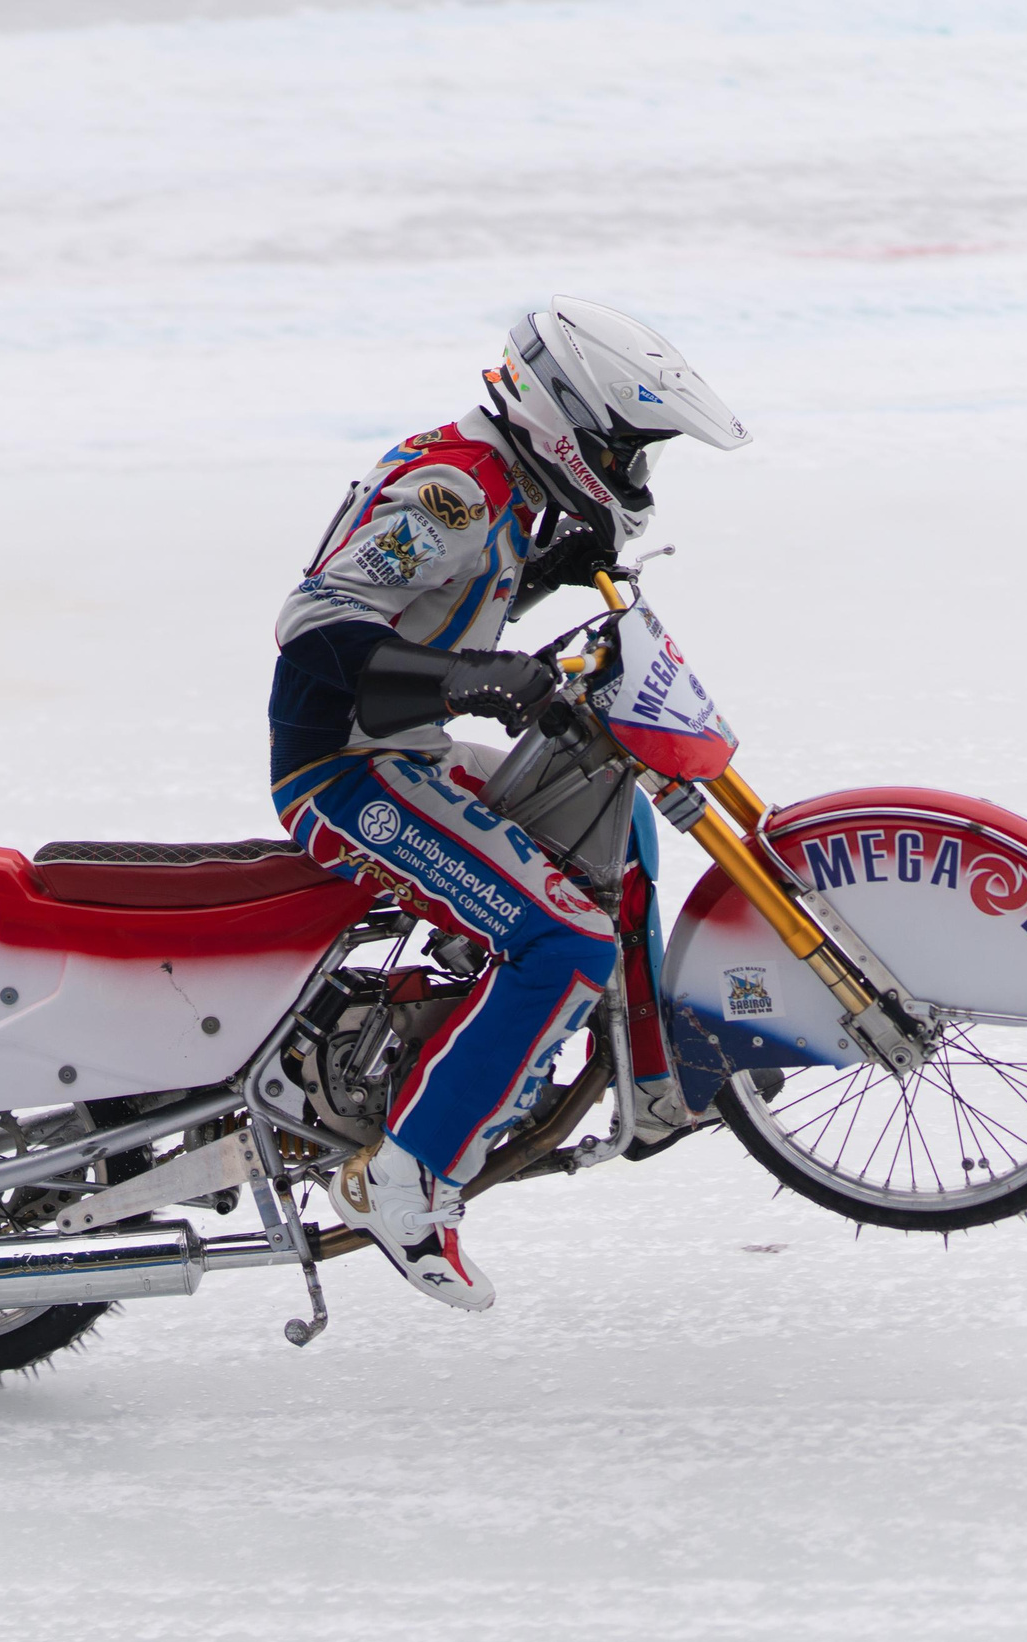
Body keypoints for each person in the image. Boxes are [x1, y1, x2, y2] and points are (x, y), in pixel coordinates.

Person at [267, 295, 751, 1310]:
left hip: (404, 754)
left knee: (605, 793)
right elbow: (314, 630)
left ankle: (649, 1081)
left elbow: (436, 603)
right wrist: (469, 681)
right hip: (348, 775)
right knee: (563, 940)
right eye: (626, 451)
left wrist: (538, 576)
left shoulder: (502, 484)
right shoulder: (455, 488)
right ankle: (406, 1177)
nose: (632, 475)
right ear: (569, 420)